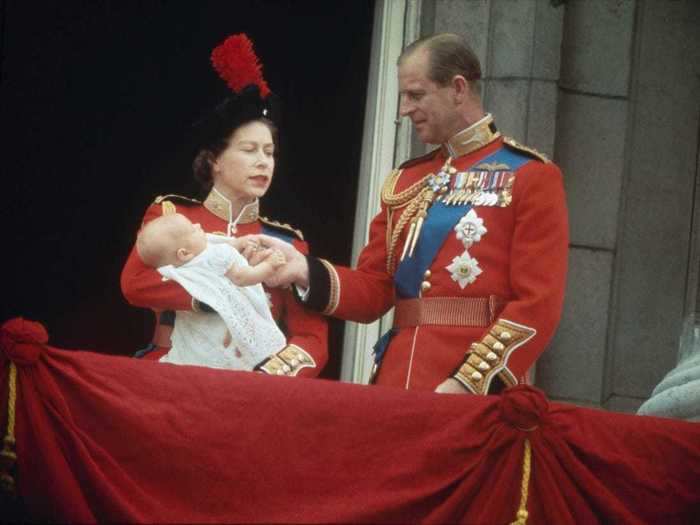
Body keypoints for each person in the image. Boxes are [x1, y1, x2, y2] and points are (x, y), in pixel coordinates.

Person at [250, 33, 569, 395]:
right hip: (395, 383)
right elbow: (374, 292)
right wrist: (302, 270)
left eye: (416, 95)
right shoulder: (407, 179)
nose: (403, 109)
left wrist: (469, 382)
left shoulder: (530, 176)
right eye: (403, 96)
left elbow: (537, 305)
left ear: (458, 89)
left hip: (472, 393)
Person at [121, 34, 328, 378]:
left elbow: (311, 337)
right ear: (215, 160)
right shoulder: (172, 215)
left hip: (252, 388)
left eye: (269, 152)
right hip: (171, 374)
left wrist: (268, 377)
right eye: (249, 150)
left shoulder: (287, 242)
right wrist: (211, 296)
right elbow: (135, 283)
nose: (263, 162)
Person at [135, 212, 289, 371]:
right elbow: (242, 278)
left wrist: (239, 243)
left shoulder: (171, 270)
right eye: (192, 229)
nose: (198, 225)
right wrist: (270, 266)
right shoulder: (219, 254)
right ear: (184, 253)